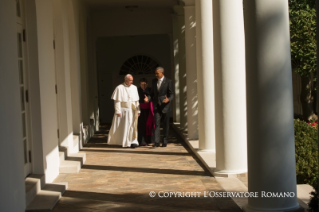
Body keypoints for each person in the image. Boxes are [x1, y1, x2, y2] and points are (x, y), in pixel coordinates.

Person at [107, 74, 140, 148]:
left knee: (132, 126)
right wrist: (118, 111)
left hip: (132, 110)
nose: (132, 82)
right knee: (125, 127)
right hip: (123, 111)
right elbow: (117, 101)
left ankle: (133, 141)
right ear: (126, 80)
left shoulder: (134, 88)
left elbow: (136, 101)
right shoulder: (119, 88)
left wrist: (138, 111)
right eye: (130, 80)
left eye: (132, 80)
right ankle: (125, 142)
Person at [145, 67, 174, 147]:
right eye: (155, 73)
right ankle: (156, 142)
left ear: (162, 73)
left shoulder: (168, 81)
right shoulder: (154, 81)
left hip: (165, 106)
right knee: (157, 124)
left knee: (165, 124)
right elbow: (152, 94)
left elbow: (171, 94)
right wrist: (148, 98)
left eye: (157, 73)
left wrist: (168, 99)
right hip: (156, 106)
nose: (156, 75)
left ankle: (164, 141)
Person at [137, 78, 154, 146]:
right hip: (140, 110)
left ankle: (150, 140)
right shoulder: (137, 90)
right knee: (141, 125)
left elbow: (152, 96)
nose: (143, 86)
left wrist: (148, 99)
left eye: (144, 84)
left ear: (147, 84)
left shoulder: (150, 89)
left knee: (149, 124)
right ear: (139, 84)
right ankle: (142, 141)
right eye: (142, 84)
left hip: (148, 110)